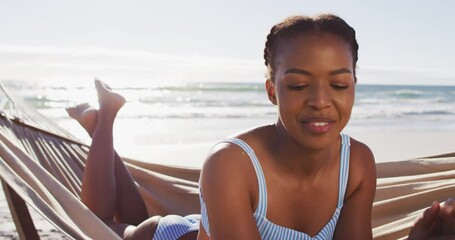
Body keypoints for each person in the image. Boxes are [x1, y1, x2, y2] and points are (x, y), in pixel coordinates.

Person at [198, 14, 377, 239]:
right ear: (272, 91)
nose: (320, 101)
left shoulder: (356, 164)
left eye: (338, 85)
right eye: (298, 85)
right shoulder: (231, 164)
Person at [67, 79, 199, 240]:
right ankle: (106, 115)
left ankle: (100, 127)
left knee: (136, 225)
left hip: (194, 226)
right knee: (98, 226)